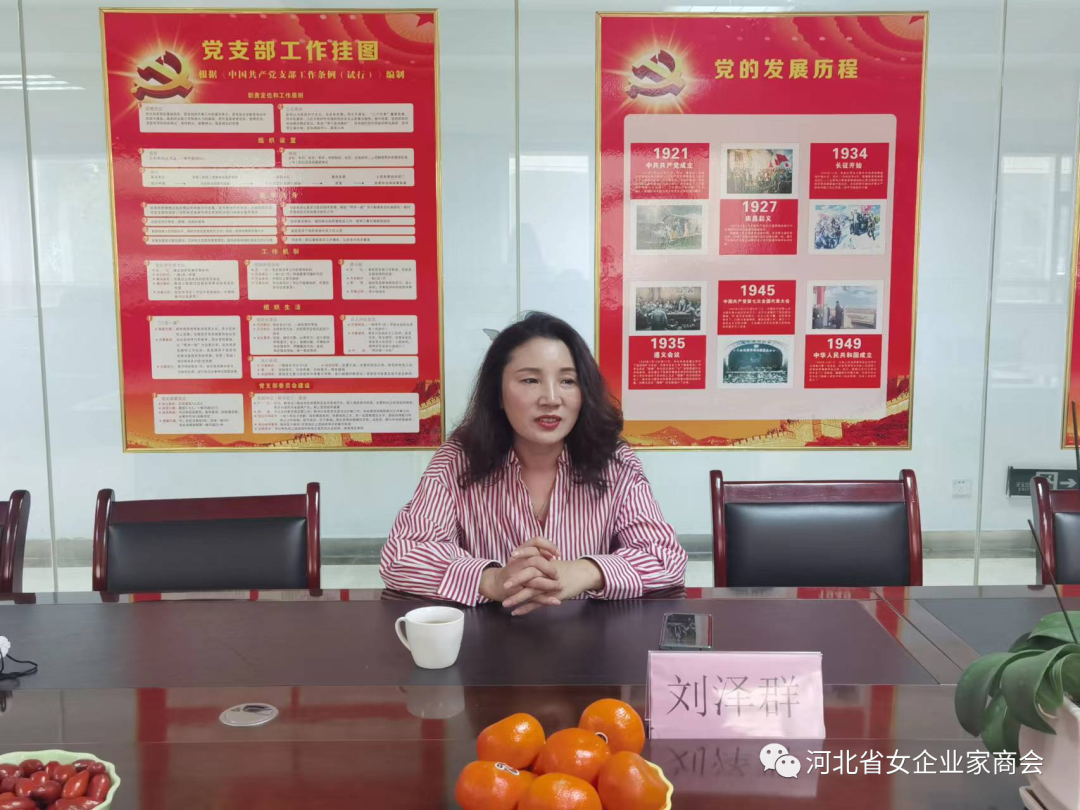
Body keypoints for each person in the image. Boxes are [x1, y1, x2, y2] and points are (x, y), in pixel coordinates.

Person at [380, 312, 687, 613]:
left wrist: (583, 572)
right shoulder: (457, 461)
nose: (551, 398)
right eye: (530, 380)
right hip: (488, 638)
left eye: (568, 381)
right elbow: (402, 556)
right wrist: (493, 579)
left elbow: (665, 557)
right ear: (498, 394)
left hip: (590, 639)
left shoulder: (614, 461)